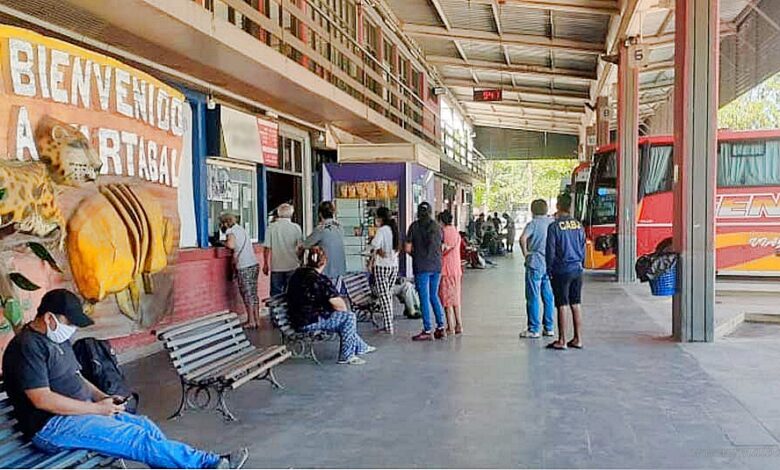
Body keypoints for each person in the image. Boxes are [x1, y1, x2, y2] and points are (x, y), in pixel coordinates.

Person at [2, 289, 248, 469]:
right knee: (135, 438)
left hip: (79, 414)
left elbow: (75, 377)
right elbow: (42, 399)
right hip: (52, 426)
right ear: (48, 318)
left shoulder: (57, 339)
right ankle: (209, 464)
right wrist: (96, 409)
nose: (73, 329)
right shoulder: (27, 347)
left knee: (145, 427)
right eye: (71, 322)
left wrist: (103, 398)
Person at [286, 248, 375, 365]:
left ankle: (361, 347)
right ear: (324, 262)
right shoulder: (319, 279)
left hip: (297, 318)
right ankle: (347, 356)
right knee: (349, 318)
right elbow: (339, 305)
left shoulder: (297, 274)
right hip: (309, 321)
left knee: (343, 319)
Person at [545, 193, 586, 350]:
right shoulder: (578, 225)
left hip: (561, 270)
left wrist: (549, 270)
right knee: (576, 303)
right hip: (577, 268)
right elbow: (583, 248)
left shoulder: (554, 226)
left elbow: (551, 251)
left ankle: (562, 340)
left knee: (562, 304)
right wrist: (581, 264)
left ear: (558, 206)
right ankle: (578, 339)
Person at [406, 202, 446, 341]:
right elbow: (442, 246)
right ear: (430, 212)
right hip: (436, 266)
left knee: (423, 298)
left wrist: (417, 256)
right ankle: (441, 327)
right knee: (433, 295)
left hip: (421, 266)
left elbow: (407, 248)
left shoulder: (414, 226)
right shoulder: (437, 227)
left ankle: (427, 329)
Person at [518, 200, 555, 339]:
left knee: (533, 296)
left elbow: (522, 238)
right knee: (548, 297)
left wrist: (526, 253)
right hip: (549, 264)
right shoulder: (552, 223)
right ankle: (549, 327)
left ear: (533, 210)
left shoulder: (533, 224)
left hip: (535, 263)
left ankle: (533, 329)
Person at [220, 213, 261, 329]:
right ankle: (257, 319)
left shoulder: (231, 231)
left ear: (225, 223)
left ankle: (251, 320)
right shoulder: (241, 229)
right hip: (253, 263)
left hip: (244, 265)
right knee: (253, 293)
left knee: (246, 293)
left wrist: (223, 242)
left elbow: (231, 245)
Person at [369, 207, 399, 334]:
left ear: (380, 218)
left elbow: (374, 245)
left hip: (382, 266)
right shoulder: (394, 229)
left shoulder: (382, 230)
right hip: (393, 266)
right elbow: (397, 248)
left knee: (384, 297)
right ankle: (389, 323)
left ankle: (388, 326)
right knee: (388, 294)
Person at [263, 203, 303, 296]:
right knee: (292, 293)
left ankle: (276, 310)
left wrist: (265, 264)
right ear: (291, 214)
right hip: (292, 264)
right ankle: (290, 310)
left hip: (276, 265)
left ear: (278, 213)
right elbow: (300, 247)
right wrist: (299, 259)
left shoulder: (271, 227)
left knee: (276, 294)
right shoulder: (296, 227)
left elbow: (267, 247)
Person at [303, 201, 347, 281]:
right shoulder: (339, 227)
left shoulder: (321, 229)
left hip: (326, 269)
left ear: (320, 214)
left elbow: (306, 244)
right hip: (340, 269)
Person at [439, 210, 463, 335]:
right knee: (456, 298)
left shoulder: (443, 232)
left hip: (446, 269)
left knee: (447, 299)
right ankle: (459, 324)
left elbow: (441, 250)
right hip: (456, 269)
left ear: (441, 221)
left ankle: (450, 327)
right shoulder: (456, 231)